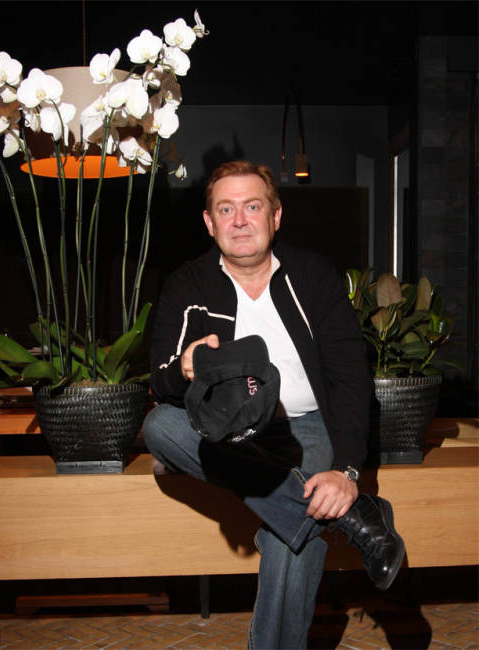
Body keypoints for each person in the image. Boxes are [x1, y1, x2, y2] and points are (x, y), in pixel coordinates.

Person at [143, 161, 404, 649]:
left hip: (307, 427)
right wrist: (185, 368)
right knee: (160, 425)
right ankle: (355, 519)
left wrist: (347, 471)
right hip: (227, 433)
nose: (240, 220)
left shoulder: (312, 274)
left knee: (291, 536)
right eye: (226, 209)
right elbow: (160, 381)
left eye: (253, 206)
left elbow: (351, 379)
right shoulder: (188, 284)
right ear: (210, 223)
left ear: (275, 216)